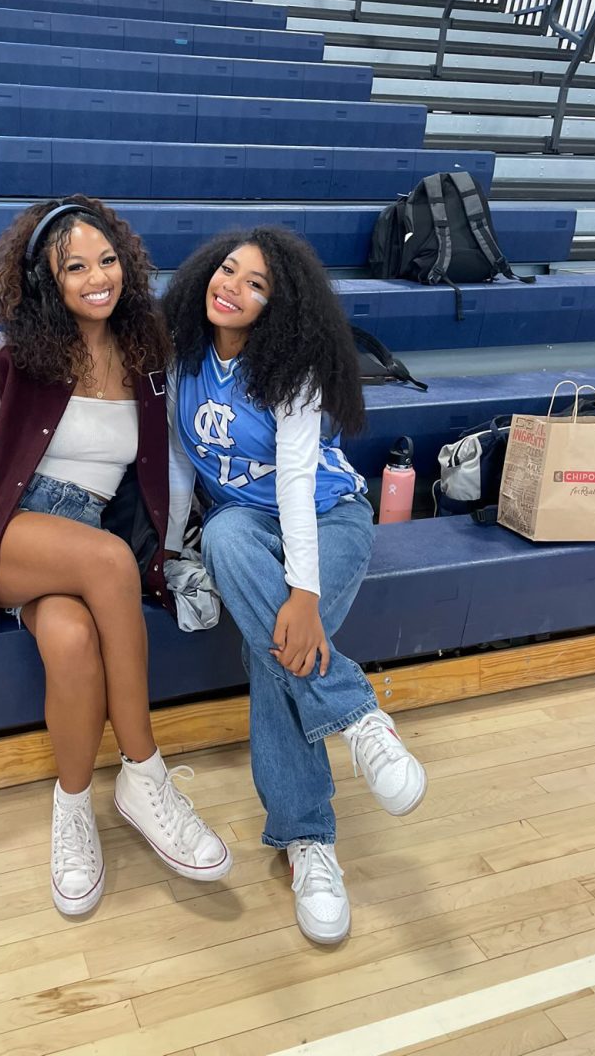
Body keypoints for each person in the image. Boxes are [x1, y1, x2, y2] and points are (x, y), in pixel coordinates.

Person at [0, 196, 231, 917]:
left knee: (74, 643)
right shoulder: (7, 357)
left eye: (106, 259)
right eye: (74, 266)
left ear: (128, 264)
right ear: (46, 281)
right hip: (11, 529)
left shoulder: (146, 355)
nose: (96, 277)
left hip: (80, 539)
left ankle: (74, 809)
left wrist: (175, 548)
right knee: (108, 562)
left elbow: (170, 455)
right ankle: (145, 773)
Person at [162, 227, 427, 945]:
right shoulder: (182, 355)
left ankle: (306, 837)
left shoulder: (292, 369)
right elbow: (183, 463)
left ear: (279, 307)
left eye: (256, 284)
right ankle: (357, 714)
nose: (233, 287)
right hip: (244, 529)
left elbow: (297, 480)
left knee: (268, 654)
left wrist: (304, 596)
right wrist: (166, 549)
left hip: (328, 518)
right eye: (227, 270)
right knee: (222, 537)